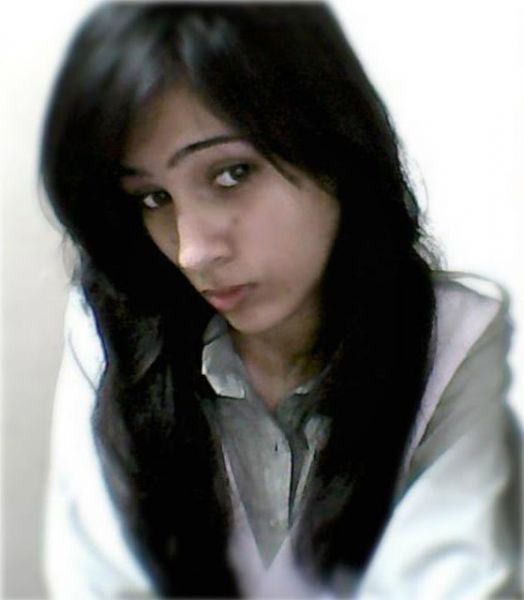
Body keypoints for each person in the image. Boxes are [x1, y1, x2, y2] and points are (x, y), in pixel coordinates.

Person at [41, 2, 520, 598]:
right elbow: (101, 582)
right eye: (153, 198)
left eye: (231, 174)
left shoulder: (456, 343)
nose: (193, 252)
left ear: (335, 146)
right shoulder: (114, 331)